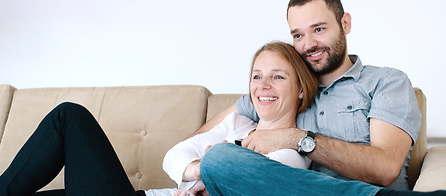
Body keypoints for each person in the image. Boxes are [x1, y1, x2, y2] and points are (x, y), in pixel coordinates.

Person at [193, 0, 446, 195]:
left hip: (372, 193)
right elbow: (198, 140)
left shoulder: (386, 82)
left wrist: (294, 138)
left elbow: (385, 168)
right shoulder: (282, 89)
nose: (308, 44)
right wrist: (201, 173)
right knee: (219, 159)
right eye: (298, 35)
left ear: (345, 24)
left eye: (318, 29)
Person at [0, 41, 318, 196]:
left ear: (300, 89)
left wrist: (217, 169)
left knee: (69, 117)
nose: (263, 86)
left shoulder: (292, 153)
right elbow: (173, 156)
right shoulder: (238, 124)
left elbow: (253, 183)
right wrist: (201, 168)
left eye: (277, 77)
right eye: (256, 76)